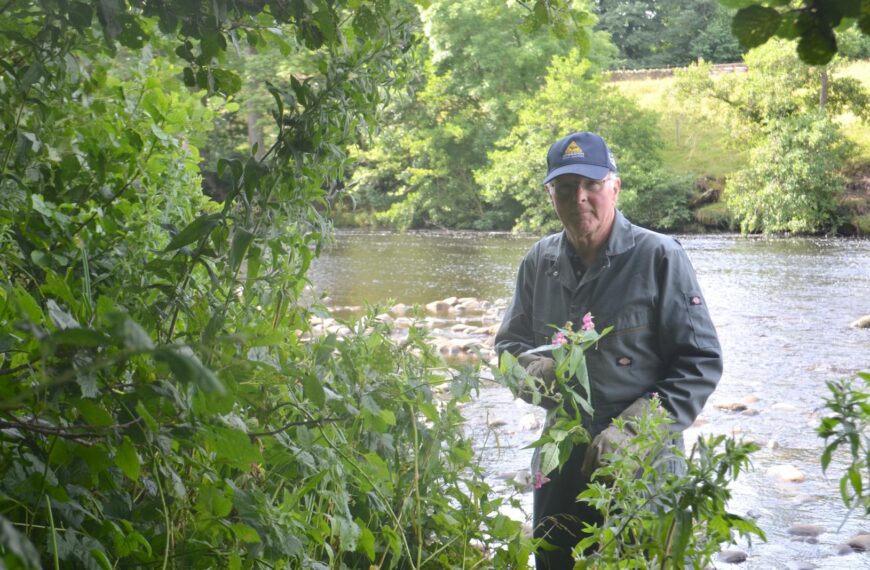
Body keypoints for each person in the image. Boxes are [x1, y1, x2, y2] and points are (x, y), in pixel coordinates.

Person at [494, 131, 722, 569]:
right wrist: (536, 373)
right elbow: (508, 350)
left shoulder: (660, 257)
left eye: (591, 184)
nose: (579, 197)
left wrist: (632, 433)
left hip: (645, 466)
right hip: (560, 465)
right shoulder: (539, 261)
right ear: (550, 195)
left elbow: (699, 364)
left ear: (614, 187)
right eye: (565, 187)